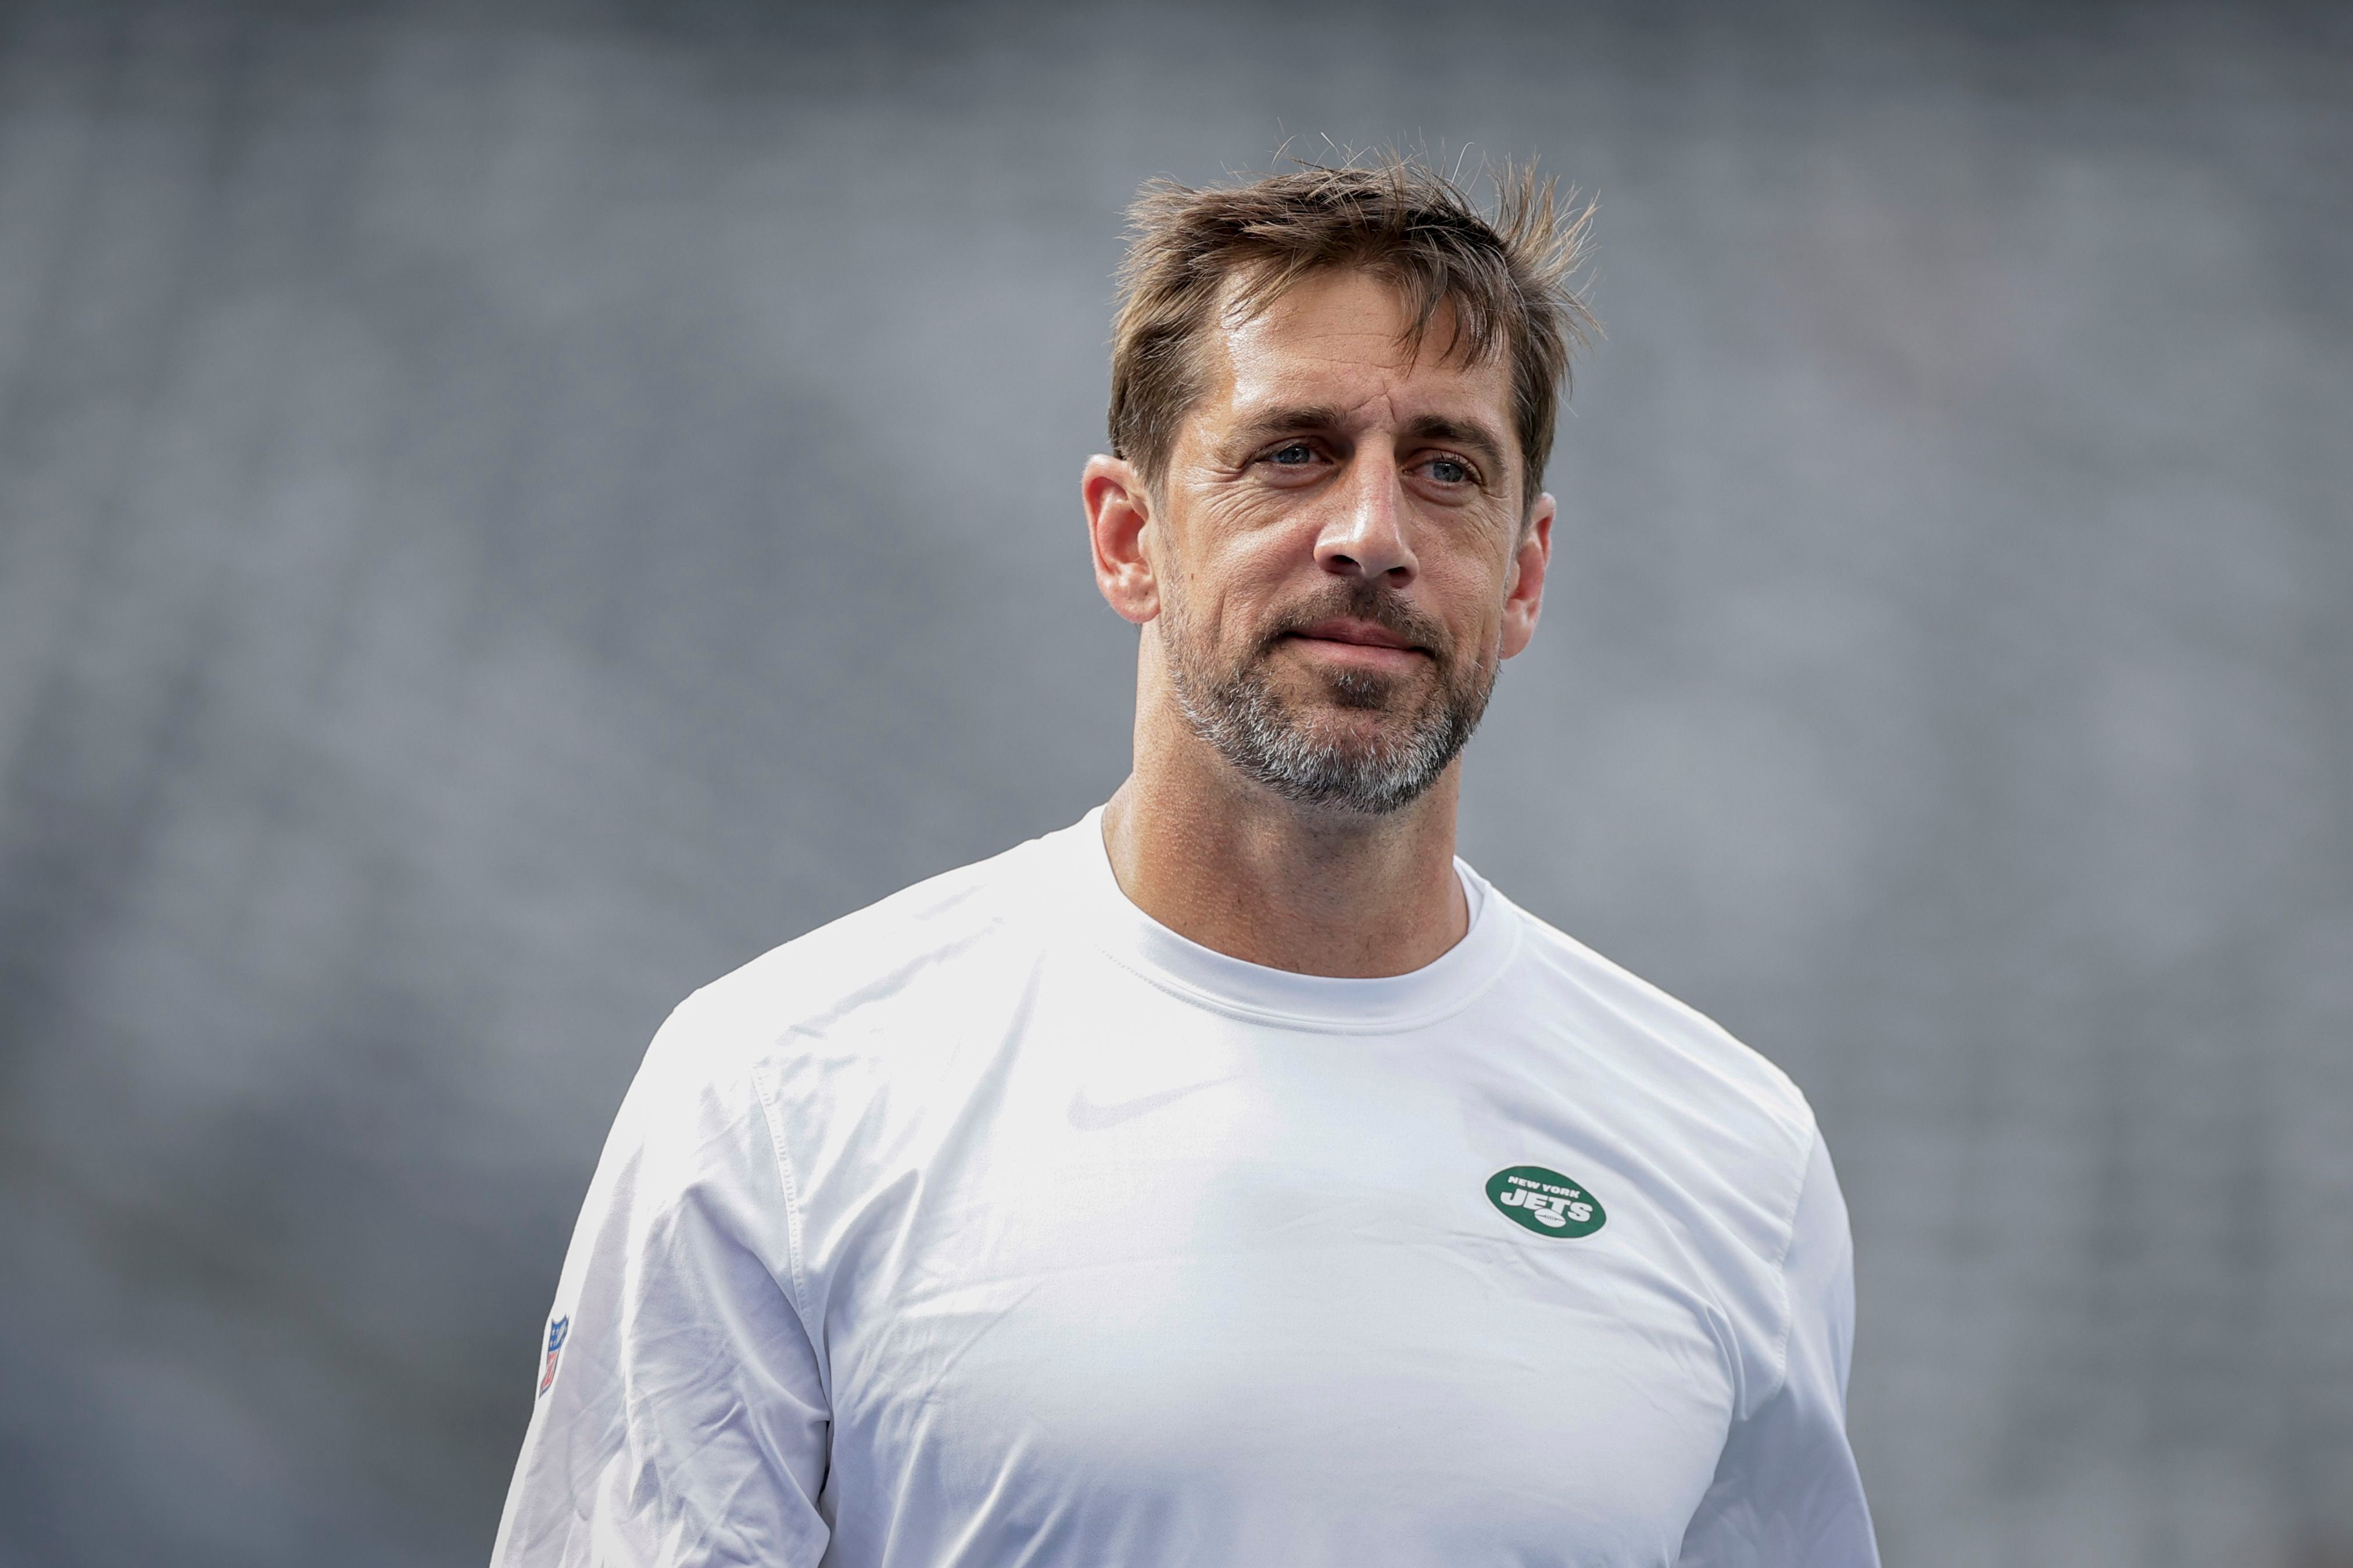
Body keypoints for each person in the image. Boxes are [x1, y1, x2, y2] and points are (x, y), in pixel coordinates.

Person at [490, 154, 1879, 1568]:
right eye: (1293, 452)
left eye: (1447, 469)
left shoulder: (1732, 1162)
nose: (1372, 536)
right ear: (1128, 535)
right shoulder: (776, 1100)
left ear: (1523, 576)